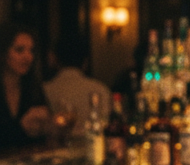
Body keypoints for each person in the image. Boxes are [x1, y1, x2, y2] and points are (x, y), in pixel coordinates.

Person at [43, 32, 111, 137]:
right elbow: (105, 126)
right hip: (93, 148)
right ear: (85, 62)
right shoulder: (100, 89)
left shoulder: (45, 89)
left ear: (54, 58)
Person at [1, 24, 51, 153]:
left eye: (31, 51)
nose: (28, 57)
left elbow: (42, 139)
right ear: (3, 51)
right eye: (19, 50)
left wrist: (46, 125)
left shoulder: (32, 86)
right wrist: (21, 127)